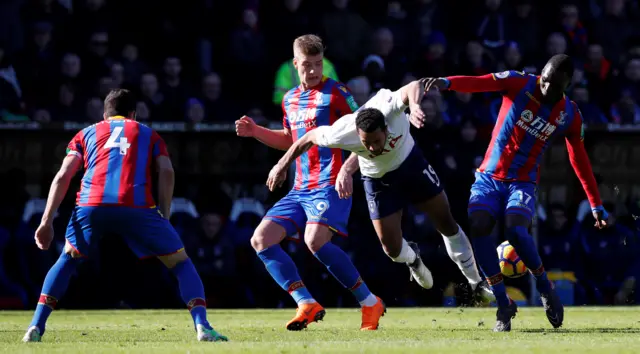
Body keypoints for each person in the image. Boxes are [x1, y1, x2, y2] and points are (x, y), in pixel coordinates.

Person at [265, 79, 495, 307]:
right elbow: (307, 138)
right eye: (367, 143)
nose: (373, 147)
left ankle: (476, 283)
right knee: (391, 250)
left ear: (386, 128)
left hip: (411, 165)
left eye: (376, 141)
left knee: (446, 222)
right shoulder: (342, 132)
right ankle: (412, 259)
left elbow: (414, 85)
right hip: (378, 181)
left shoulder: (389, 106)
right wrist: (282, 165)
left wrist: (414, 106)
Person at [22, 89, 227, 343]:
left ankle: (36, 327)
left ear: (104, 114)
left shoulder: (86, 133)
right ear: (133, 114)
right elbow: (166, 171)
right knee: (181, 263)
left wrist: (46, 221)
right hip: (136, 206)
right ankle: (202, 326)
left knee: (67, 260)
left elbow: (63, 176)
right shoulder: (148, 133)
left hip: (90, 205)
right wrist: (164, 212)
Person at [422, 54, 609, 332]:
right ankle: (503, 304)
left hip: (522, 183)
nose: (545, 88)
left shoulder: (570, 114)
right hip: (488, 177)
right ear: (541, 74)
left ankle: (545, 287)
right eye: (544, 81)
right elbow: (480, 83)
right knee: (479, 225)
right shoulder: (518, 82)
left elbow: (578, 157)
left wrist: (595, 202)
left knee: (517, 232)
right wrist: (447, 83)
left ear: (566, 86)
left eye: (553, 85)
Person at [235, 34, 385, 331]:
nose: (314, 71)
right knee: (261, 240)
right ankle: (305, 302)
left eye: (318, 64)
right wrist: (257, 132)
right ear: (295, 64)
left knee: (314, 240)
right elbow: (290, 141)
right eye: (307, 65)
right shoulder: (290, 99)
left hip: (331, 182)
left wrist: (348, 170)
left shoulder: (338, 93)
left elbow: (365, 134)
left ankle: (369, 302)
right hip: (300, 187)